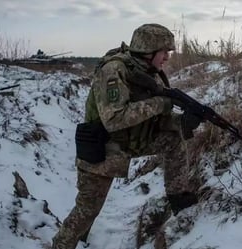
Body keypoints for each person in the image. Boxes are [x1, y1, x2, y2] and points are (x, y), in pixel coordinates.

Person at [51, 23, 203, 249]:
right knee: (87, 210)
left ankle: (178, 197)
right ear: (149, 50)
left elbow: (152, 116)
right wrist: (161, 103)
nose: (167, 58)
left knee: (174, 139)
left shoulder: (147, 71)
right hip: (102, 149)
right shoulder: (114, 70)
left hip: (130, 141)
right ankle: (61, 245)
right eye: (164, 52)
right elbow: (115, 119)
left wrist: (180, 122)